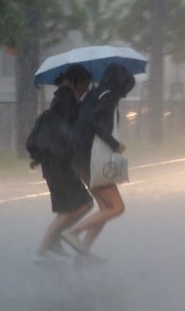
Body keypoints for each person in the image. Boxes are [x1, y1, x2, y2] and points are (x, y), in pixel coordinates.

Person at [61, 63, 135, 262]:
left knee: (104, 207)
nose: (126, 94)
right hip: (90, 159)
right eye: (127, 88)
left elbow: (87, 122)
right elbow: (97, 124)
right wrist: (115, 145)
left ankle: (83, 252)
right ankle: (73, 233)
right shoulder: (107, 97)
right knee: (117, 207)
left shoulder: (94, 95)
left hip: (78, 156)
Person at [34, 64, 94, 263]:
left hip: (57, 162)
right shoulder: (66, 100)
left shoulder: (65, 98)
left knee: (75, 207)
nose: (87, 88)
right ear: (76, 82)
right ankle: (44, 248)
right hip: (59, 163)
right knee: (80, 205)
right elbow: (69, 133)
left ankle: (54, 242)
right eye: (85, 84)